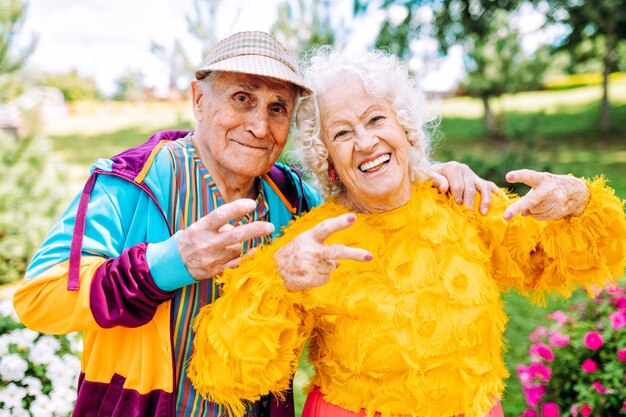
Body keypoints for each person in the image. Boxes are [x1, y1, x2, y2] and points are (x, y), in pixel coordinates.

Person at [12, 32, 495, 417]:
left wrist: (432, 175)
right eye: (243, 98)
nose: (260, 126)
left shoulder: (292, 199)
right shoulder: (131, 182)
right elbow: (39, 298)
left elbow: (370, 197)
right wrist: (168, 264)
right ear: (199, 99)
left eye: (277, 108)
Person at [186, 47, 626, 417]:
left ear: (406, 130)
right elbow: (229, 374)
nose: (365, 142)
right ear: (329, 163)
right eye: (342, 133)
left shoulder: (464, 203)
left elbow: (567, 260)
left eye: (376, 120)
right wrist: (280, 280)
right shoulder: (314, 244)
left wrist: (578, 200)